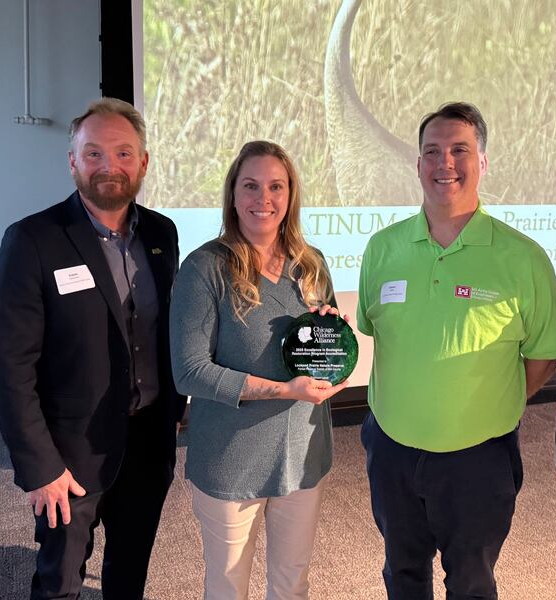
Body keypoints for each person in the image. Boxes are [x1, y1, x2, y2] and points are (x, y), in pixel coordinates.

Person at [356, 102, 556, 599]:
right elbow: (372, 330)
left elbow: (543, 356)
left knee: (472, 583)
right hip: (391, 448)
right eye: (432, 151)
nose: (444, 163)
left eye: (459, 150)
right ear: (418, 164)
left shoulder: (523, 258)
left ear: (483, 162)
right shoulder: (382, 248)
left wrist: (488, 402)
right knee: (402, 574)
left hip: (478, 460)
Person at [0, 97, 185, 599]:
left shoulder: (161, 233)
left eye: (123, 153)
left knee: (129, 572)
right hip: (68, 455)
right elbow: (7, 366)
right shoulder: (32, 240)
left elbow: (167, 330)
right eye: (93, 153)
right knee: (60, 582)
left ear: (143, 162)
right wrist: (40, 467)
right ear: (72, 161)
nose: (109, 166)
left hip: (148, 442)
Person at [170, 140, 347, 599]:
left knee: (292, 583)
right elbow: (189, 372)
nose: (263, 199)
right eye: (250, 186)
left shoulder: (311, 265)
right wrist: (285, 390)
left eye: (275, 187)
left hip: (301, 454)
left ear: (290, 195)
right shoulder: (205, 268)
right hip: (231, 460)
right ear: (232, 194)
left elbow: (329, 354)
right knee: (227, 587)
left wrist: (334, 342)